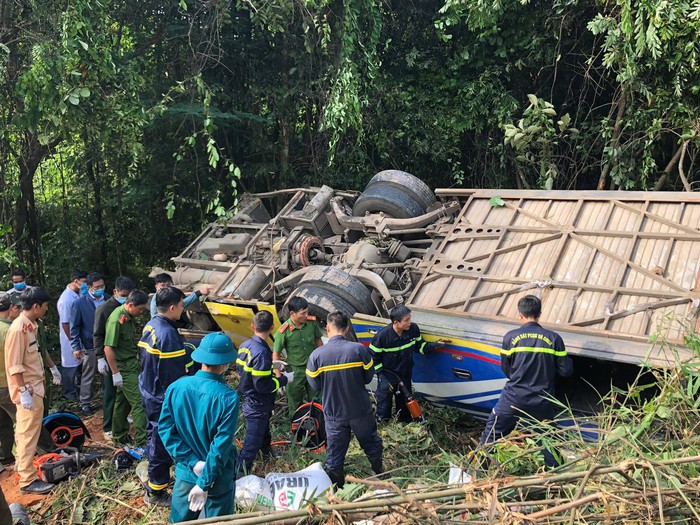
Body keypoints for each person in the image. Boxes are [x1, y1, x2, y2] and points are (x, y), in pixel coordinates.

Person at [479, 295, 573, 468]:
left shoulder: (510, 337)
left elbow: (506, 369)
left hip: (513, 398)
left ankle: (476, 472)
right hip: (542, 400)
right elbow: (566, 371)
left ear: (520, 314)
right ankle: (554, 477)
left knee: (490, 435)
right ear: (540, 313)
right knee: (547, 440)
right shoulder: (554, 338)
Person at [159, 332, 239, 523]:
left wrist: (193, 462)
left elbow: (165, 430)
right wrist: (204, 483)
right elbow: (221, 446)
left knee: (179, 521)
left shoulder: (176, 387)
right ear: (225, 364)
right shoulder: (228, 398)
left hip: (187, 474)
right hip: (217, 477)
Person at [306, 311, 383, 488]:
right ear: (347, 328)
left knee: (335, 455)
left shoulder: (316, 356)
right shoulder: (359, 350)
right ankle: (380, 474)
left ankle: (338, 491)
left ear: (327, 328)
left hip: (334, 413)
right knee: (371, 444)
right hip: (360, 410)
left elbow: (315, 386)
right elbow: (368, 378)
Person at [138, 287, 197, 507]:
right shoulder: (168, 335)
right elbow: (173, 378)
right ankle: (156, 490)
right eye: (182, 305)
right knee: (162, 442)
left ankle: (156, 473)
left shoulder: (153, 324)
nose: (183, 309)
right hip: (161, 397)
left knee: (154, 436)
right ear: (172, 308)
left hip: (149, 390)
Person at [4, 288, 54, 494]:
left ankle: (21, 468)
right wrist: (23, 391)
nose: (46, 310)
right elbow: (14, 365)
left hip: (35, 388)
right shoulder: (17, 330)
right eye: (45, 306)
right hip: (29, 391)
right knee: (27, 434)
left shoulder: (30, 326)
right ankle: (27, 480)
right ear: (36, 306)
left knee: (25, 431)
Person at [236, 311, 292, 476]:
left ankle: (266, 451)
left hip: (251, 399)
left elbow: (244, 369)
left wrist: (272, 365)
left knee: (264, 428)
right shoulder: (262, 352)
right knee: (251, 442)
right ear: (272, 327)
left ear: (253, 326)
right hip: (257, 403)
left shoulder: (245, 345)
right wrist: (284, 380)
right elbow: (262, 385)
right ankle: (240, 472)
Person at [368, 305, 433, 422]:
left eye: (410, 318)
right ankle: (383, 422)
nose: (410, 322)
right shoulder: (382, 337)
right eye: (406, 320)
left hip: (405, 375)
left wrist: (432, 346)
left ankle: (403, 421)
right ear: (396, 323)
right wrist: (381, 376)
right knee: (384, 405)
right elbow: (372, 357)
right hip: (388, 376)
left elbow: (420, 347)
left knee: (404, 405)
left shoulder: (413, 330)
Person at [103, 290, 149, 447]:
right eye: (140, 309)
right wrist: (115, 373)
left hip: (131, 363)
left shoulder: (128, 316)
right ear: (130, 305)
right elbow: (108, 348)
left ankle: (119, 435)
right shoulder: (116, 319)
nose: (141, 312)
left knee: (123, 402)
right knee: (139, 402)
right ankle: (143, 442)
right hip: (123, 367)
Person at [93, 276, 135, 440]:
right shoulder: (104, 309)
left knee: (123, 392)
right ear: (115, 292)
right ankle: (108, 426)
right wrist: (99, 357)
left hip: (124, 357)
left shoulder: (128, 309)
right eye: (124, 294)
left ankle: (120, 419)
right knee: (110, 392)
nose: (127, 298)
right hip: (109, 355)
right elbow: (97, 334)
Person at [272, 297, 323, 420]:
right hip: (295, 372)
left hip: (313, 369)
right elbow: (276, 354)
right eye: (303, 313)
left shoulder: (312, 324)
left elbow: (318, 341)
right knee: (295, 403)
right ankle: (297, 431)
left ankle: (317, 427)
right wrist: (278, 377)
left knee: (317, 400)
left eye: (307, 312)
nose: (306, 315)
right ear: (292, 314)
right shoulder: (283, 332)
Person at [70, 272, 109, 416]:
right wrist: (76, 346)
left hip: (107, 343)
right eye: (97, 287)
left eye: (102, 286)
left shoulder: (108, 299)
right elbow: (75, 327)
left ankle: (107, 399)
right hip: (89, 344)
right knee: (89, 374)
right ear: (90, 288)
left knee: (108, 373)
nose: (101, 289)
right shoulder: (80, 304)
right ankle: (85, 403)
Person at [57, 271, 88, 401]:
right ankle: (68, 393)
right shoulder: (66, 299)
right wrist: (72, 341)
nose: (86, 285)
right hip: (69, 337)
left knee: (80, 364)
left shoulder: (78, 293)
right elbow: (65, 323)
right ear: (76, 281)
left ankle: (79, 390)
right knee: (70, 367)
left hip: (78, 335)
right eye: (84, 282)